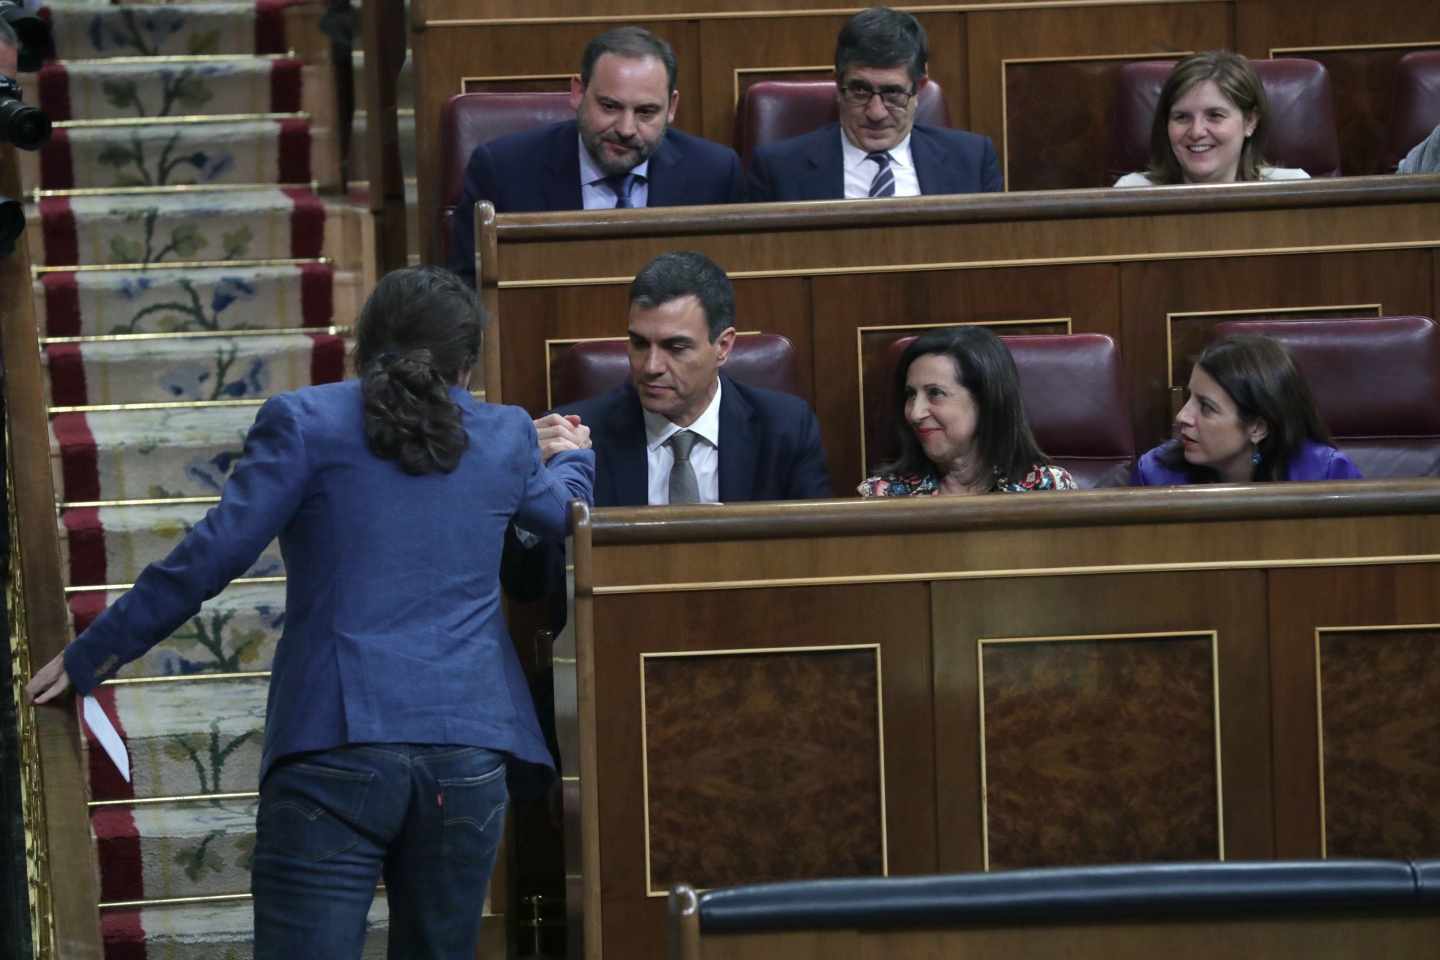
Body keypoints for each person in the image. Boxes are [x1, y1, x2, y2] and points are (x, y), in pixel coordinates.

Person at [27, 267, 595, 959]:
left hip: (335, 741)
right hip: (466, 751)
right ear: (467, 367)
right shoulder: (506, 434)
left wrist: (95, 653)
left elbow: (210, 557)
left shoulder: (305, 421)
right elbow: (562, 515)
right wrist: (574, 457)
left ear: (363, 345)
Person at [448, 26, 744, 284]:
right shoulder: (504, 170)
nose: (626, 129)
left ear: (672, 108)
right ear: (578, 93)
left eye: (646, 112)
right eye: (610, 107)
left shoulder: (715, 172)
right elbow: (467, 294)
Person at [746, 7, 1002, 202]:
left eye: (893, 93)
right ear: (838, 85)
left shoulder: (972, 161)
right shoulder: (777, 171)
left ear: (919, 89)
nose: (876, 112)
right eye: (860, 91)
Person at [859, 326, 1075, 496]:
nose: (915, 413)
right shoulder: (883, 494)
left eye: (935, 393)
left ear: (985, 400)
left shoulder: (1048, 488)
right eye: (911, 394)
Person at [1132, 334, 1362, 485]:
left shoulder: (1327, 476)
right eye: (1189, 397)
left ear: (1257, 428)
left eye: (1206, 407)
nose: (1182, 416)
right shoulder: (1156, 474)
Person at [1113, 51, 1311, 187]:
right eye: (1182, 117)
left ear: (1250, 121)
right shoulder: (1132, 192)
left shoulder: (1293, 188)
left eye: (1215, 115)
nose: (1197, 131)